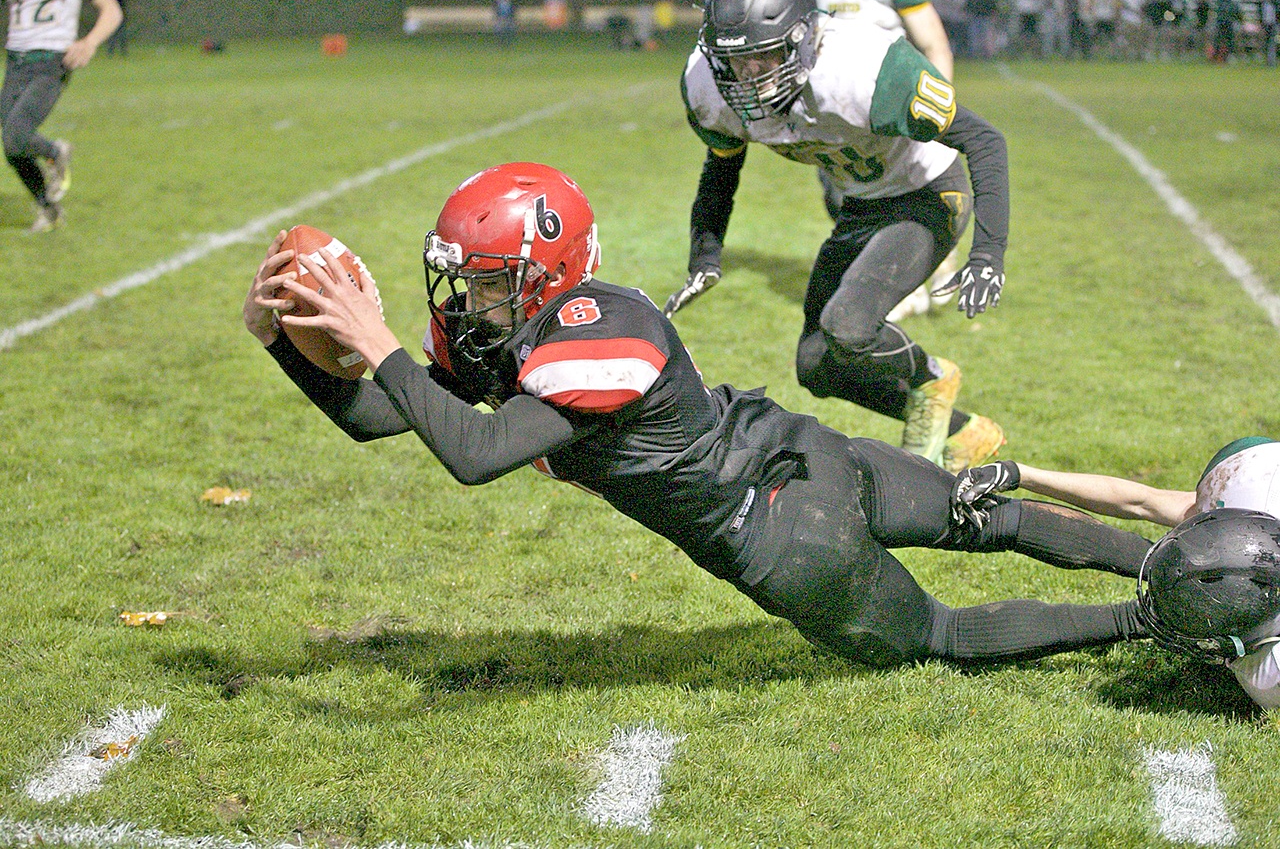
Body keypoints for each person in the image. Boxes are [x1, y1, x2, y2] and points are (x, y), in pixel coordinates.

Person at [243, 162, 1151, 670]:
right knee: (987, 515)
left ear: (545, 277)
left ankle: (1153, 612)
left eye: (488, 280)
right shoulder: (539, 329)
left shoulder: (597, 342)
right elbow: (380, 415)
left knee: (947, 630)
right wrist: (285, 345)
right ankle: (1177, 573)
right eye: (465, 276)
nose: (468, 297)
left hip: (781, 538)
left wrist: (377, 336)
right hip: (801, 451)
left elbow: (477, 452)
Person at [665, 0, 1009, 474]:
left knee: (848, 326)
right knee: (817, 364)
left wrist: (987, 254)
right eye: (734, 62)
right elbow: (722, 163)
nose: (749, 76)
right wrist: (705, 255)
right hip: (861, 205)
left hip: (926, 192)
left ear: (807, 39)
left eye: (764, 56)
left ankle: (931, 377)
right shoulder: (707, 84)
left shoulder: (865, 68)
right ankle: (965, 431)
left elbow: (984, 140)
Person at [950, 437, 1280, 707]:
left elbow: (1145, 502)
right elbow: (1142, 501)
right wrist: (1021, 473)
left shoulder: (1267, 674)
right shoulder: (1251, 492)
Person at [814, 0, 958, 321]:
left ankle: (907, 283)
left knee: (895, 196)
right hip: (833, 110)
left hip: (887, 103)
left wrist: (935, 112)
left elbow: (935, 44)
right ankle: (919, 267)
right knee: (839, 199)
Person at [2, 0, 121, 232]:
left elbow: (112, 10)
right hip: (16, 63)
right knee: (13, 147)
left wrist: (90, 42)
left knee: (16, 135)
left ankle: (56, 153)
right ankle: (49, 209)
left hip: (51, 61)